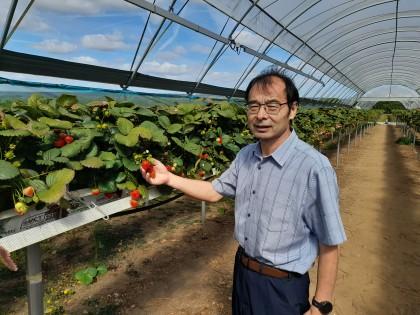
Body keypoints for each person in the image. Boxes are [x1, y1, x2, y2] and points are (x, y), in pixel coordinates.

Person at [141, 69, 346, 315]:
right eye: (253, 106)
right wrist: (169, 178)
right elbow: (214, 191)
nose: (261, 115)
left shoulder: (313, 167)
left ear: (292, 109)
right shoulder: (246, 155)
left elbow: (329, 241)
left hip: (281, 287)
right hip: (243, 274)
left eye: (272, 106)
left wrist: (320, 306)